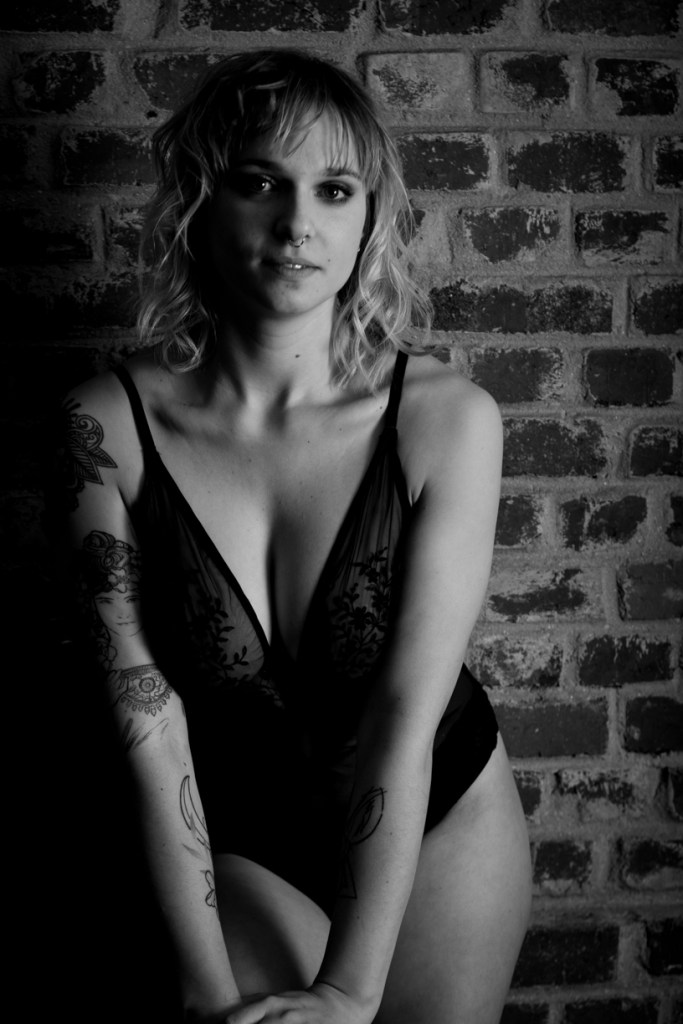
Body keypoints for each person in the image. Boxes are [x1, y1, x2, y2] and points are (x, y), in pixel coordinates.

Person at [54, 49, 531, 1024]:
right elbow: (146, 722)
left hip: (435, 817)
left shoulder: (445, 420)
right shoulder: (105, 427)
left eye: (333, 189)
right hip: (236, 834)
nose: (297, 222)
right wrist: (202, 987)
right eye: (259, 182)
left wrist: (350, 992)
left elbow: (402, 713)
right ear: (201, 201)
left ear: (368, 217)